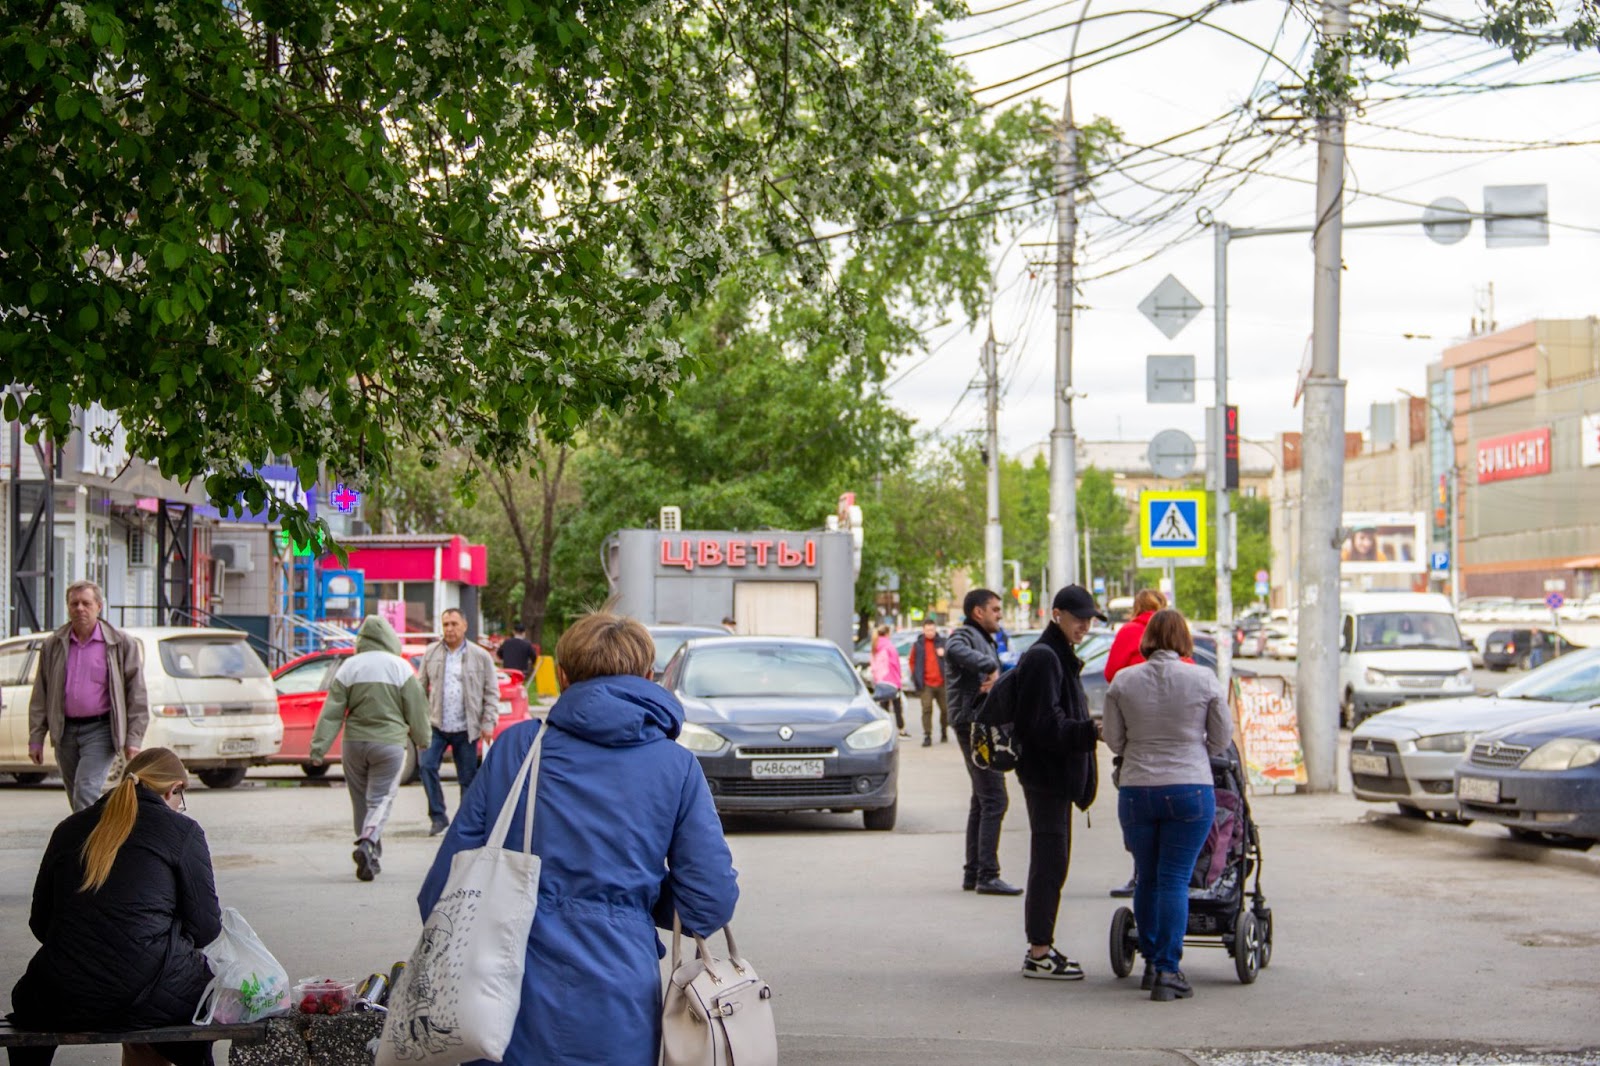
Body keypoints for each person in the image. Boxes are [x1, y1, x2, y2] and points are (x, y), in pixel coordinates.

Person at [418, 611, 739, 1065]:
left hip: (502, 1003)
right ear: (648, 677)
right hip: (619, 1002)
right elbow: (709, 901)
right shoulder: (676, 766)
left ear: (563, 677)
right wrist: (633, 900)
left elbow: (443, 889)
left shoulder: (518, 748)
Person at [9, 748, 221, 1066]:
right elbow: (206, 928)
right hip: (153, 996)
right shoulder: (182, 832)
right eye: (181, 798)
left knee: (28, 1000)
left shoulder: (69, 828)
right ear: (173, 789)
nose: (180, 807)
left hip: (63, 995)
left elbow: (41, 923)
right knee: (198, 997)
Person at [1103, 608, 1233, 1002]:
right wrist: (1194, 751)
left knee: (1147, 876)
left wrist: (1140, 751)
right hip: (1190, 789)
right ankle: (1167, 969)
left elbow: (1113, 739)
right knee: (1175, 878)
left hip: (1137, 789)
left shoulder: (1123, 681)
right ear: (1184, 640)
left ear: (1146, 640)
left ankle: (1150, 964)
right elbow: (1221, 737)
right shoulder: (1202, 678)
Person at [1011, 585, 1104, 980]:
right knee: (1049, 863)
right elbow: (1043, 726)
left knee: (1053, 861)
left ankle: (1042, 947)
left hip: (1052, 776)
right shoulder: (1045, 658)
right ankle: (1038, 953)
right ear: (1056, 614)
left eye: (1089, 619)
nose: (1084, 625)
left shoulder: (1057, 655)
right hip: (1046, 776)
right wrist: (1089, 732)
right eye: (1078, 617)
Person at [308, 615, 431, 881]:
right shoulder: (400, 667)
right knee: (381, 799)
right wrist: (423, 739)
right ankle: (368, 842)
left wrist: (319, 748)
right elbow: (417, 707)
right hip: (389, 745)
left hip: (354, 744)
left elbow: (331, 712)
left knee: (360, 800)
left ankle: (370, 849)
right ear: (389, 638)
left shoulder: (349, 667)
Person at [27, 580, 149, 812]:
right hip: (65, 731)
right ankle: (95, 837)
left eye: (86, 603)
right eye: (74, 604)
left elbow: (137, 694)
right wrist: (36, 738)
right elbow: (40, 694)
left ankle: (92, 846)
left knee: (86, 790)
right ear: (68, 607)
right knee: (76, 796)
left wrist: (133, 738)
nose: (80, 608)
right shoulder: (54, 644)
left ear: (99, 606)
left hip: (101, 730)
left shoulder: (119, 643)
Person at [946, 588, 1019, 895]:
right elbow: (953, 650)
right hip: (972, 723)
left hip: (978, 722)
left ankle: (974, 872)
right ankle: (988, 874)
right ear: (979, 612)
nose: (999, 614)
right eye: (995, 609)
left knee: (982, 798)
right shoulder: (963, 634)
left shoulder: (985, 638)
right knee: (994, 798)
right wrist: (988, 666)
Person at [1103, 588, 1168, 898]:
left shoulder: (1129, 631)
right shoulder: (1173, 629)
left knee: (1135, 797)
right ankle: (1167, 873)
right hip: (1173, 732)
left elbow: (1110, 673)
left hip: (1136, 727)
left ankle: (1140, 871)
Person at [418, 609, 501, 836]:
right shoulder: (431, 652)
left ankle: (464, 823)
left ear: (464, 626)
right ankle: (438, 817)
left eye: (454, 624)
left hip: (467, 727)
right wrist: (417, 722)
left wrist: (488, 722)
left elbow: (491, 692)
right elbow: (420, 689)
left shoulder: (480, 655)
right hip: (436, 724)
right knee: (426, 766)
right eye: (445, 624)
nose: (449, 629)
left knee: (467, 778)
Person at [907, 617, 948, 748]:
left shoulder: (943, 642)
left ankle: (944, 730)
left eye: (932, 629)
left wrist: (945, 654)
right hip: (926, 684)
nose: (930, 632)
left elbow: (953, 658)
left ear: (935, 629)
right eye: (927, 630)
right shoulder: (918, 645)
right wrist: (916, 675)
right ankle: (927, 735)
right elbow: (912, 661)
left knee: (946, 709)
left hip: (942, 682)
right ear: (923, 630)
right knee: (926, 709)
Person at [870, 625, 908, 738]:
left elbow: (873, 666)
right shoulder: (890, 647)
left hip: (880, 681)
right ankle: (901, 729)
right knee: (897, 706)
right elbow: (895, 665)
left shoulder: (875, 646)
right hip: (892, 681)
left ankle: (883, 731)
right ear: (888, 633)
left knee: (883, 707)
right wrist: (898, 681)